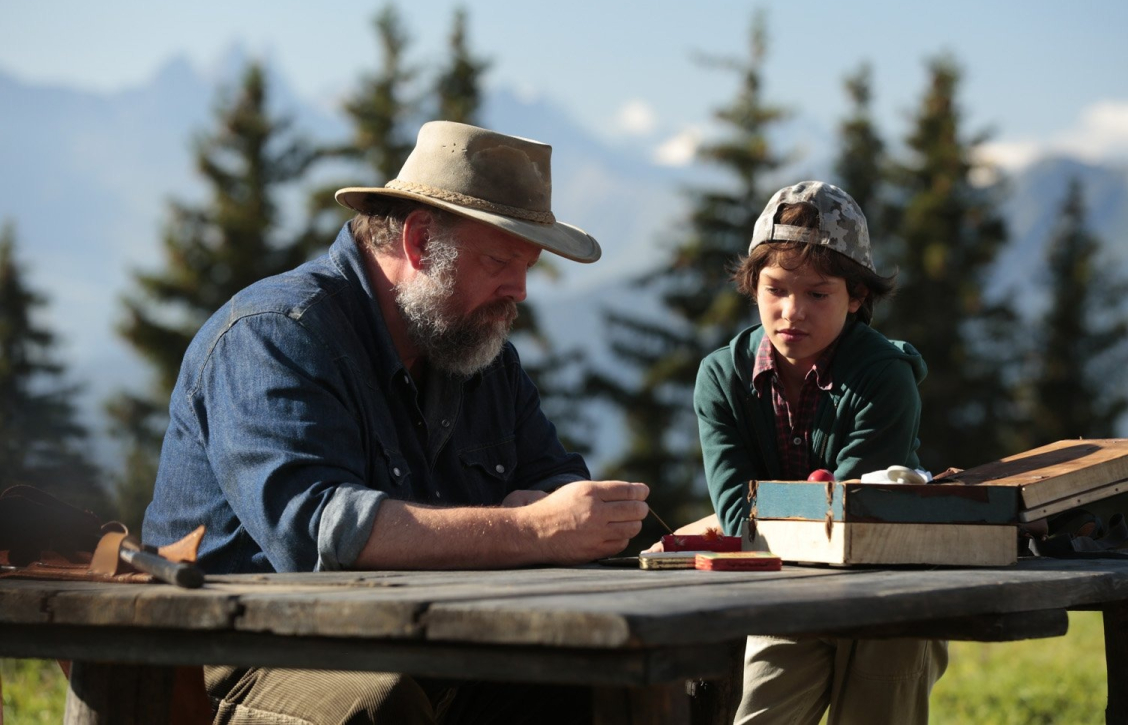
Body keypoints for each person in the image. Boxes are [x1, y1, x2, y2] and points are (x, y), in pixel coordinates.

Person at [142, 120, 649, 724]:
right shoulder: (275, 333)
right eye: (498, 261)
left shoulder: (480, 354)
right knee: (384, 708)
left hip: (414, 644)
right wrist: (530, 530)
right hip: (236, 654)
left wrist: (552, 508)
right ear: (417, 241)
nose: (518, 290)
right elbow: (319, 532)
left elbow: (557, 483)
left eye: (528, 267)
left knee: (615, 688)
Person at [692, 181, 948, 725]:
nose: (792, 312)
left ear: (856, 297)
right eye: (776, 290)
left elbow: (854, 516)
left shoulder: (884, 377)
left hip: (887, 590)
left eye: (817, 294)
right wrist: (807, 508)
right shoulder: (722, 378)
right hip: (786, 591)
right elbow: (739, 517)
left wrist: (796, 509)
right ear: (753, 286)